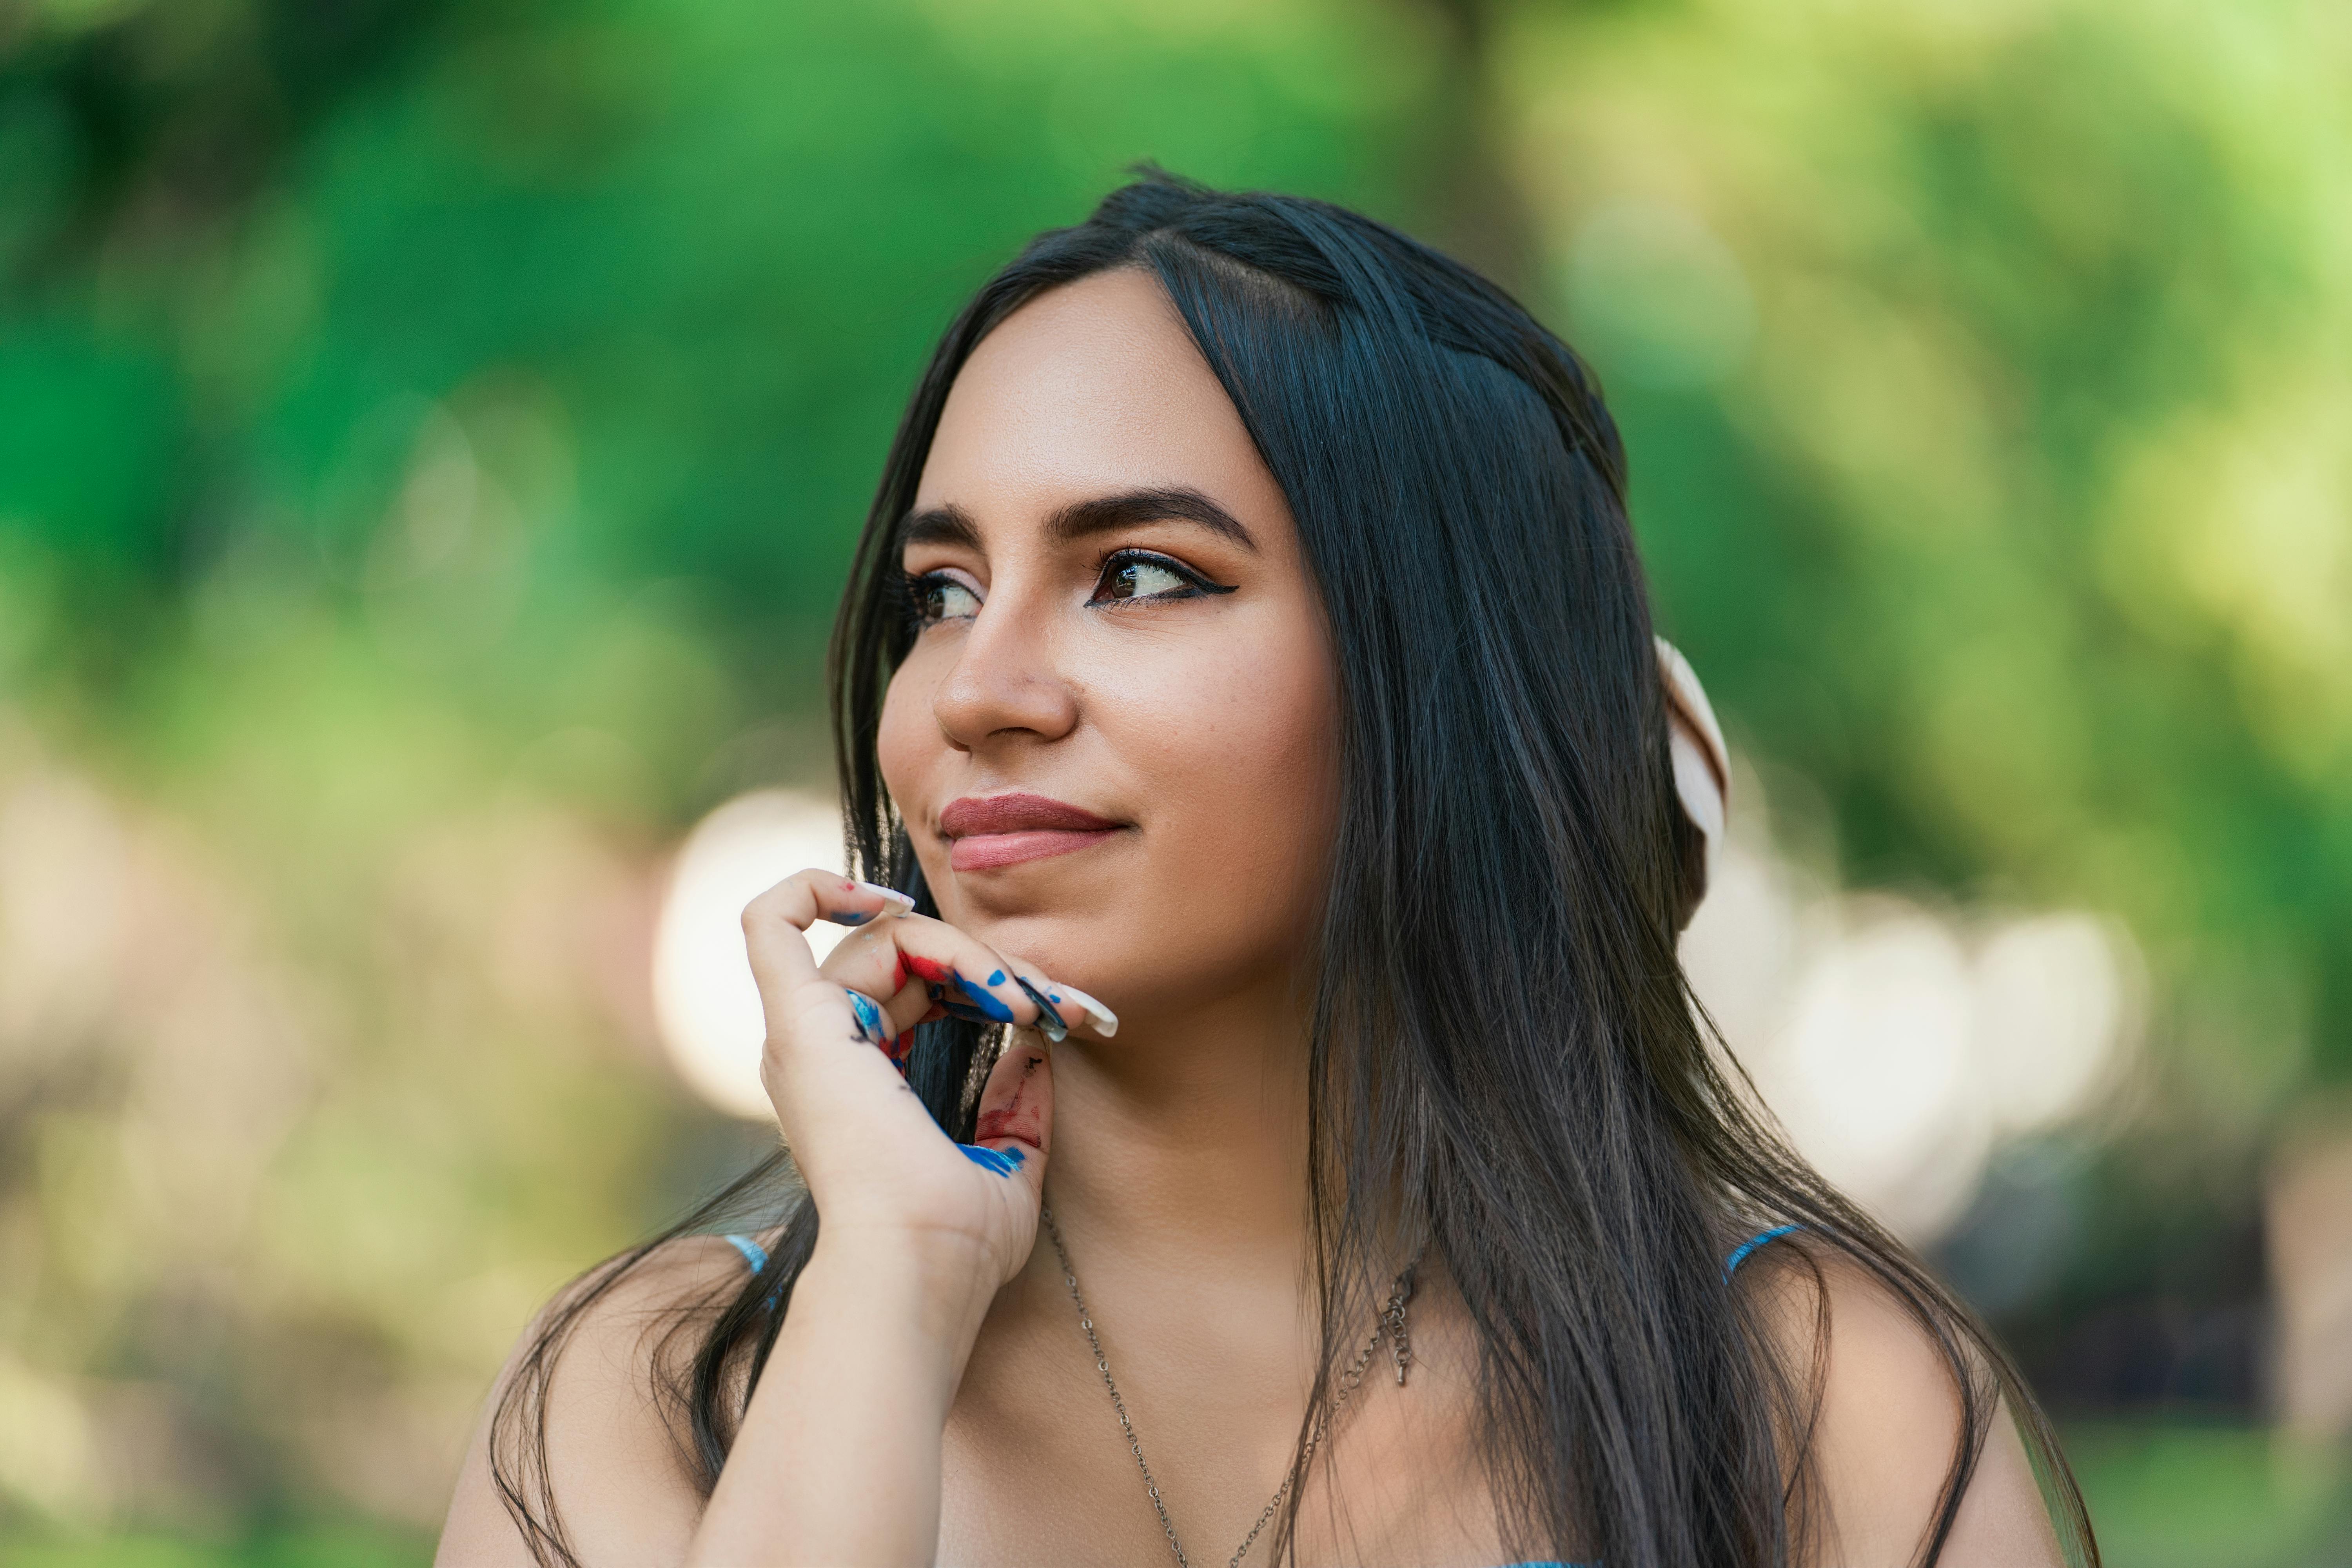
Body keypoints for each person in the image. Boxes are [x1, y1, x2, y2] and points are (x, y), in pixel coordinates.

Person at [436, 173, 2091, 1567]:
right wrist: (891, 1289)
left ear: (1440, 672)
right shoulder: (657, 1396)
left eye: (1141, 573)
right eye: (938, 594)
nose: (980, 691)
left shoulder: (1816, 1416)